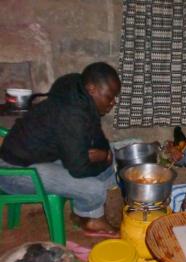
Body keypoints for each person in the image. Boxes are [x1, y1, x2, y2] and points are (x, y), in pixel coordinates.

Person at [0, 62, 120, 234]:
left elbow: (98, 136)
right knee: (93, 188)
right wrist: (102, 159)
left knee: (113, 161)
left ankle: (85, 211)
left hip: (38, 158)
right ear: (92, 89)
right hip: (14, 171)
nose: (113, 102)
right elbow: (79, 169)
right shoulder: (71, 115)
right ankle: (91, 220)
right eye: (109, 96)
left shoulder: (80, 96)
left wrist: (106, 154)